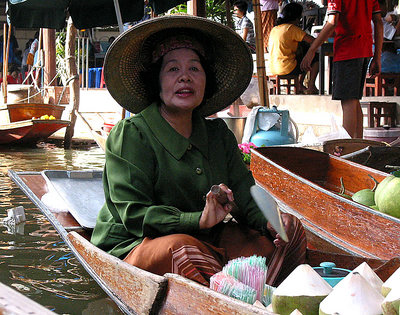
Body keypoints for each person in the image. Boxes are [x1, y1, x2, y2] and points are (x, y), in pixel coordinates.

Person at [90, 15, 306, 287]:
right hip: (135, 245)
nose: (185, 77)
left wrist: (270, 222)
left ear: (206, 80)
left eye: (194, 68)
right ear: (156, 81)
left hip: (205, 240)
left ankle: (252, 296)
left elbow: (245, 193)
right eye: (172, 70)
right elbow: (134, 216)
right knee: (184, 251)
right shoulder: (132, 135)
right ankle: (241, 294)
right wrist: (197, 220)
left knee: (291, 230)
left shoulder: (218, 135)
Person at [301, 0, 383, 138]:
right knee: (354, 100)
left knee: (348, 100)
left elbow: (332, 21)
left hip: (347, 50)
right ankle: (358, 145)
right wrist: (377, 56)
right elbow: (378, 22)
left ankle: (350, 146)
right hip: (365, 49)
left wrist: (312, 49)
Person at [268, 2, 319, 94]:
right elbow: (313, 41)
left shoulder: (275, 28)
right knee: (315, 57)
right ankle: (311, 86)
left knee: (303, 52)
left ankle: (300, 84)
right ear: (297, 17)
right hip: (288, 67)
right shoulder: (291, 28)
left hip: (273, 67)